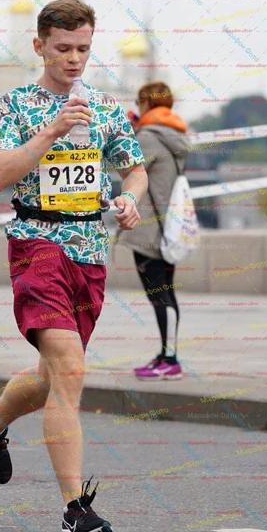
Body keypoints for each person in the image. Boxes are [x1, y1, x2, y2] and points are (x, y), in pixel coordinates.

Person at [0, 0, 147, 532]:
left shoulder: (106, 107)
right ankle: (75, 511)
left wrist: (130, 200)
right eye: (63, 48)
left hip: (90, 250)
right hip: (37, 242)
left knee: (52, 378)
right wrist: (51, 130)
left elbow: (134, 169)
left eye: (83, 49)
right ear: (39, 45)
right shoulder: (16, 104)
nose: (74, 58)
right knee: (69, 367)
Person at [119, 81, 189, 380]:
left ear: (147, 103)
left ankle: (170, 359)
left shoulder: (148, 137)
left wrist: (127, 133)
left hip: (150, 232)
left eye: (140, 102)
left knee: (159, 296)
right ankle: (165, 356)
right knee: (166, 293)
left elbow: (126, 169)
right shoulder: (173, 135)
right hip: (167, 228)